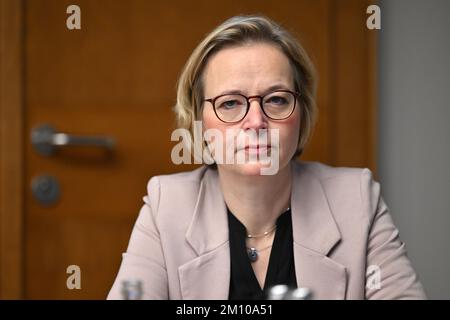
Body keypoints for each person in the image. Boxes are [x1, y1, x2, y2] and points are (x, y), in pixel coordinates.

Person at [107, 15, 426, 299]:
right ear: (199, 121)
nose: (256, 121)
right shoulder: (167, 205)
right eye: (231, 103)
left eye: (275, 99)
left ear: (301, 114)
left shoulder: (357, 198)